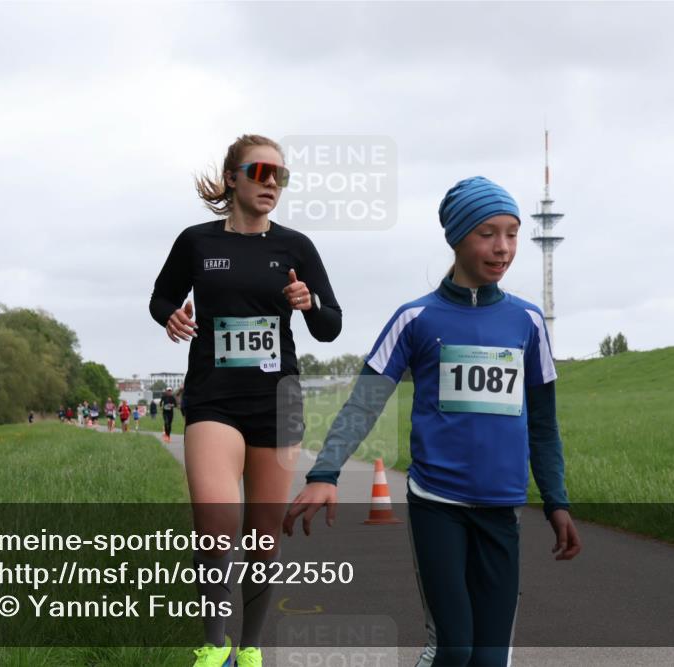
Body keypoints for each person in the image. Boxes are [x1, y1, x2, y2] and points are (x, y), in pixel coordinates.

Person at [283, 176, 582, 666]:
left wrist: (556, 501)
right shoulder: (416, 318)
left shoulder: (527, 322)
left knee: (487, 658)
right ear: (457, 237)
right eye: (488, 233)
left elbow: (544, 425)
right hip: (437, 503)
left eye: (512, 233)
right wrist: (324, 472)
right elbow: (364, 402)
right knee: (453, 648)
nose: (503, 248)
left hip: (501, 508)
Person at [150, 134, 342, 667]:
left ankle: (251, 648)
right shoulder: (197, 243)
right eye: (261, 172)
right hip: (214, 399)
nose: (272, 183)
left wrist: (309, 303)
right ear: (233, 177)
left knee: (261, 541)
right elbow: (160, 295)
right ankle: (215, 646)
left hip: (276, 403)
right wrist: (172, 314)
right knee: (215, 520)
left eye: (280, 175)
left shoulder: (295, 248)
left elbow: (330, 326)